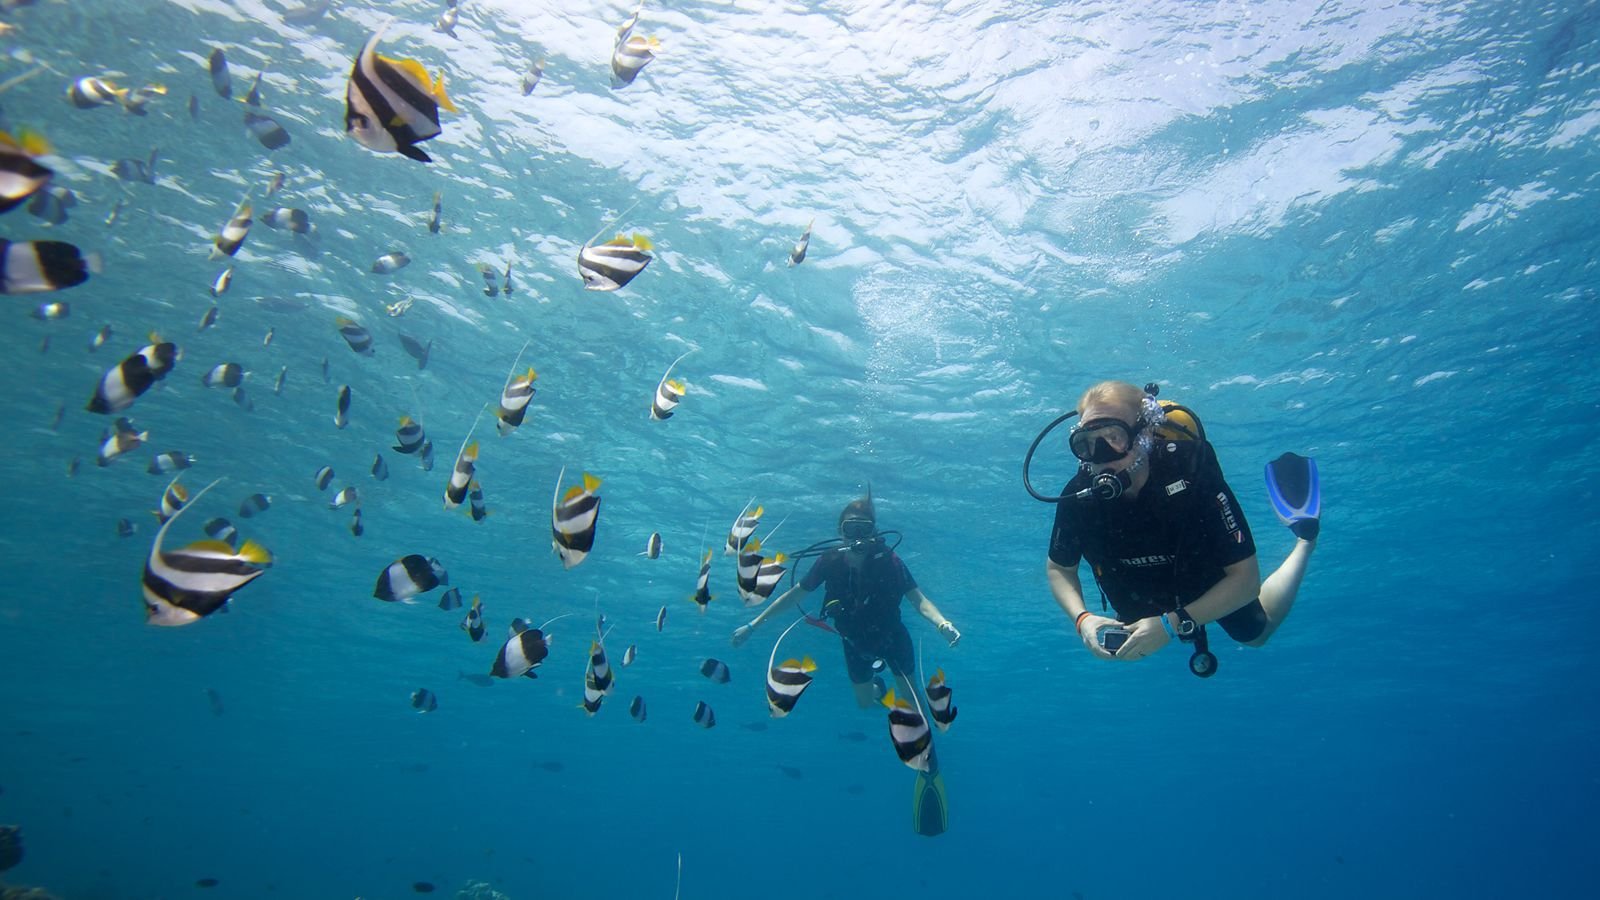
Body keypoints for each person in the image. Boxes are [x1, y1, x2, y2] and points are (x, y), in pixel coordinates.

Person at [1044, 380, 1319, 668]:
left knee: (1255, 635)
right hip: (1138, 592)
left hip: (1205, 581)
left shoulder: (1191, 470)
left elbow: (1247, 582)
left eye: (1113, 437)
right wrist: (1082, 619)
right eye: (1086, 444)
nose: (1100, 455)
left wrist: (1173, 623)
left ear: (1144, 434)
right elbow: (1059, 568)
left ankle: (1305, 540)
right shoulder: (1079, 495)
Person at [731, 494, 960, 709]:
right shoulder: (830, 561)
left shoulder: (889, 561)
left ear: (874, 532)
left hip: (892, 636)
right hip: (853, 642)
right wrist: (754, 625)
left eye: (864, 528)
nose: (858, 535)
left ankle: (925, 746)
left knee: (913, 700)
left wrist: (942, 624)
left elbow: (918, 600)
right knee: (865, 704)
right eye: (851, 528)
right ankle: (878, 689)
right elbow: (794, 595)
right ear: (841, 532)